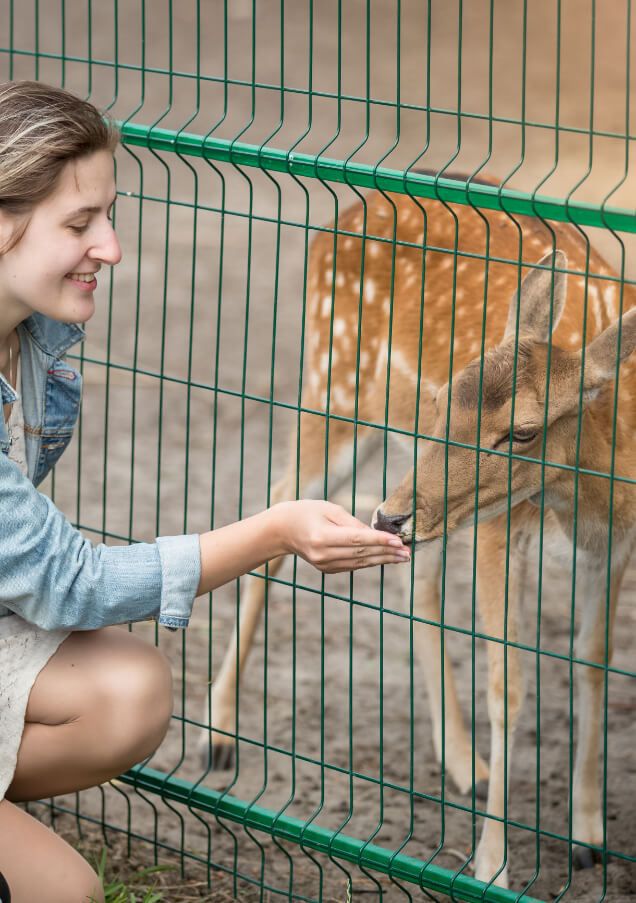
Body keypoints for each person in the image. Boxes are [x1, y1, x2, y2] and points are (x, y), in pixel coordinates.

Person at [0, 81, 410, 903]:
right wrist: (274, 530)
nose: (110, 247)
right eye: (80, 224)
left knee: (133, 689)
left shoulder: (39, 339)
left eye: (107, 215)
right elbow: (70, 583)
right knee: (68, 893)